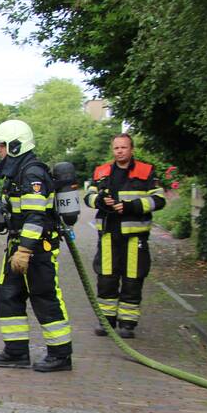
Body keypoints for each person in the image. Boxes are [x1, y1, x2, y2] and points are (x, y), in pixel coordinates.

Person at [0, 120, 73, 372]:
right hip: (18, 246)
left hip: (36, 249)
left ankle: (61, 355)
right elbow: (16, 213)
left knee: (44, 297)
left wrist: (25, 251)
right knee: (8, 295)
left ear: (15, 145)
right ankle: (16, 351)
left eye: (2, 145)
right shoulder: (16, 173)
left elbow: (35, 217)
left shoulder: (32, 174)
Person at [83, 133, 166, 338]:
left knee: (132, 279)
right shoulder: (102, 172)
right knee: (106, 279)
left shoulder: (146, 171)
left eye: (124, 147)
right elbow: (88, 196)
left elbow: (159, 199)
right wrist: (100, 201)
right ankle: (106, 321)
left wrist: (131, 206)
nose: (120, 151)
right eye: (116, 148)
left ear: (131, 149)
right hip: (108, 235)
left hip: (135, 236)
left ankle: (127, 324)